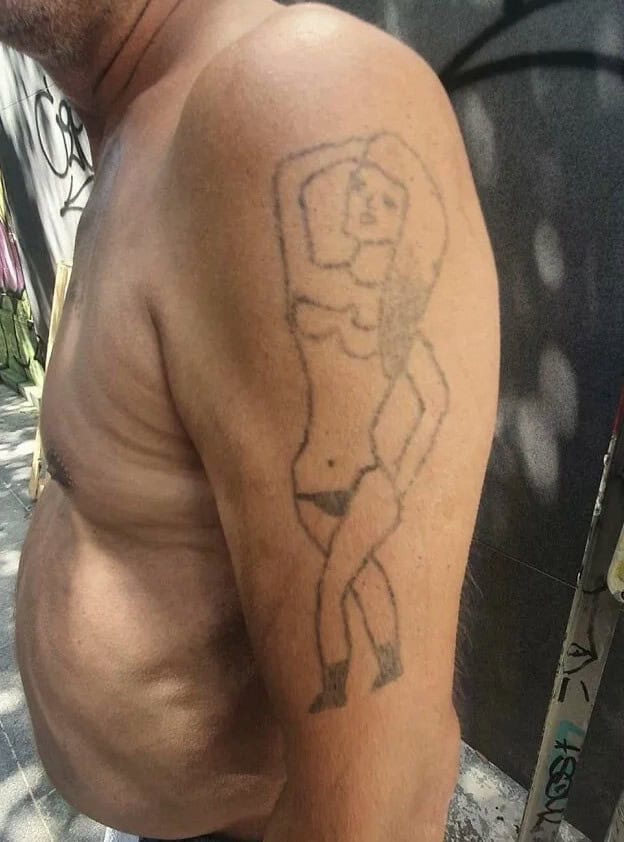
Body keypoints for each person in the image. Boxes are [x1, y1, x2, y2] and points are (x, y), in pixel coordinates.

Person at [2, 1, 500, 841]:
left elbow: (381, 813)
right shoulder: (141, 121)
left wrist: (383, 467)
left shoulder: (298, 95)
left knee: (350, 587)